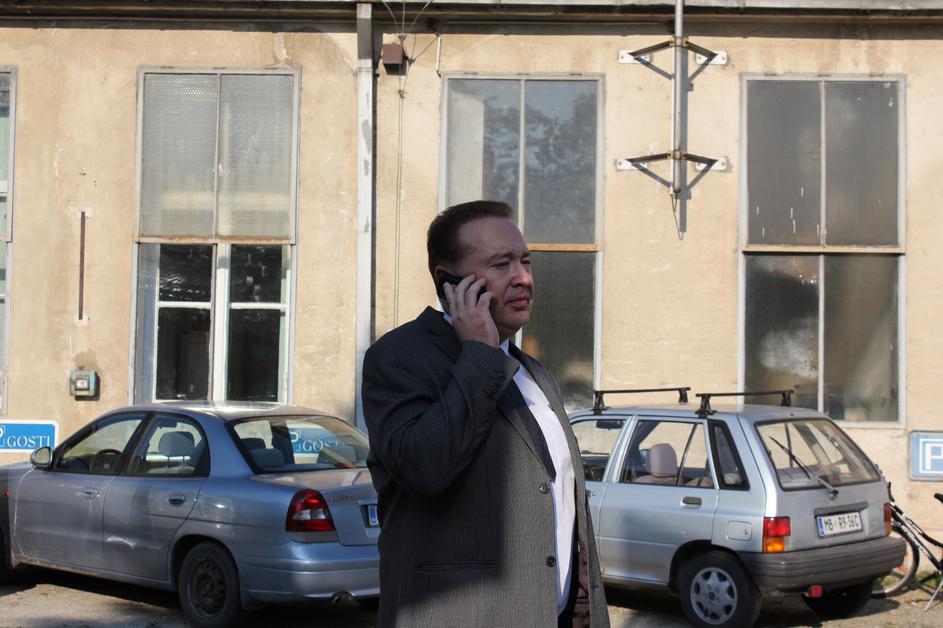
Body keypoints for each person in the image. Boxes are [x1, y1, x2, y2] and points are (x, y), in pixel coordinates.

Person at [362, 200, 609, 627]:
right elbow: (424, 468)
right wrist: (478, 351)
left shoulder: (536, 373)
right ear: (448, 283)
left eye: (526, 261)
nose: (523, 277)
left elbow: (561, 505)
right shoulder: (399, 357)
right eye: (501, 264)